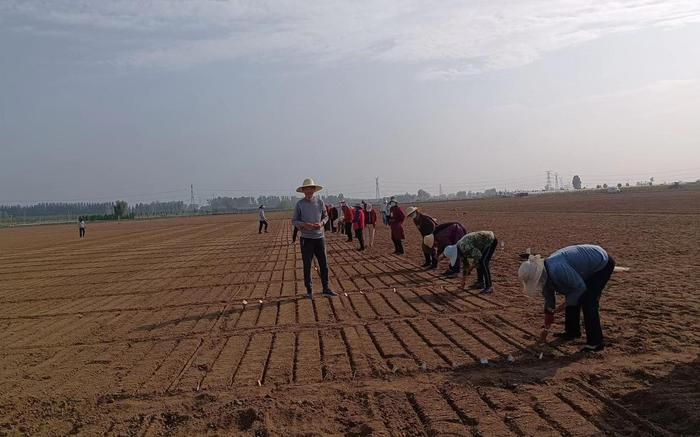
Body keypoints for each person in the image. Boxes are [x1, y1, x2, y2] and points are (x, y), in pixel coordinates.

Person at [518, 244, 615, 352]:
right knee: (572, 293)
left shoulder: (557, 269)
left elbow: (579, 288)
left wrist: (564, 305)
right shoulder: (545, 274)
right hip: (583, 267)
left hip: (601, 264)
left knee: (588, 300)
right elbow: (549, 299)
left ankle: (596, 342)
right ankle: (572, 332)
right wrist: (547, 324)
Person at [292, 177, 337, 299]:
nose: (309, 191)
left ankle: (326, 288)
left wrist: (321, 224)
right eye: (307, 189)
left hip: (319, 238)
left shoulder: (320, 202)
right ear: (303, 190)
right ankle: (309, 290)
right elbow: (294, 221)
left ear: (314, 189)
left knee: (324, 264)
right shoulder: (300, 204)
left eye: (311, 188)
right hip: (306, 239)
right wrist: (304, 225)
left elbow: (326, 216)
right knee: (307, 265)